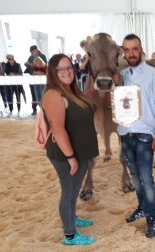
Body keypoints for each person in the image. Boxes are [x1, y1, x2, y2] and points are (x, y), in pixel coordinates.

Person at [41, 53, 98, 245]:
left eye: (69, 68)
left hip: (79, 151)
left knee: (74, 191)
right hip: (65, 154)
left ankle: (71, 218)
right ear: (53, 72)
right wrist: (71, 157)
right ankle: (70, 235)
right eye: (61, 69)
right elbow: (57, 130)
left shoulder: (71, 90)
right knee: (68, 191)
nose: (66, 72)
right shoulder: (53, 94)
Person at [119, 34, 155, 238]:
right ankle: (141, 207)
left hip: (145, 134)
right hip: (125, 133)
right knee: (136, 178)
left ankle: (151, 218)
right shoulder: (121, 75)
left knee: (146, 179)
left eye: (135, 49)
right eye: (127, 50)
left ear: (141, 50)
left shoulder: (154, 74)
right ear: (124, 52)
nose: (131, 53)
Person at [25, 45, 47, 116]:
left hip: (42, 80)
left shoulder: (43, 56)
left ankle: (45, 109)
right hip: (34, 79)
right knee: (34, 94)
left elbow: (44, 66)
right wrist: (32, 71)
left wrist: (32, 65)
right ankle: (35, 109)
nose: (33, 53)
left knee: (43, 93)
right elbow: (26, 64)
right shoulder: (30, 57)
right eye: (32, 52)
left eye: (34, 51)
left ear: (37, 50)